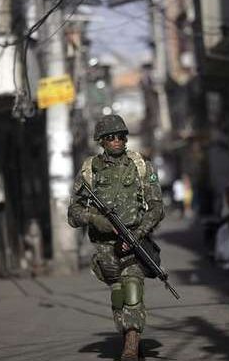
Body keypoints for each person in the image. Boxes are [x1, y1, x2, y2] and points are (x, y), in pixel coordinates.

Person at [68, 114, 164, 361]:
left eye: (121, 136)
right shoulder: (90, 170)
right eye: (111, 138)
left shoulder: (141, 165)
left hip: (134, 240)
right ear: (101, 141)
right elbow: (73, 213)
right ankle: (129, 338)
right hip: (105, 247)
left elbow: (157, 208)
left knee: (133, 289)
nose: (117, 141)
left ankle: (131, 347)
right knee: (119, 295)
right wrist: (96, 219)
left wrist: (137, 234)